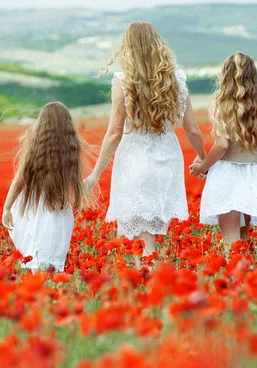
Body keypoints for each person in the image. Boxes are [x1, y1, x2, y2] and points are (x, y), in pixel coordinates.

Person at [85, 21, 206, 256]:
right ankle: (140, 280)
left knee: (140, 236)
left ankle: (145, 283)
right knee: (138, 233)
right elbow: (192, 129)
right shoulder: (177, 79)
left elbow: (113, 133)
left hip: (135, 159)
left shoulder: (123, 82)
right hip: (167, 160)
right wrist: (202, 159)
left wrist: (94, 175)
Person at [190, 52, 257, 245]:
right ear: (253, 77)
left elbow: (222, 145)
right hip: (252, 175)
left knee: (231, 242)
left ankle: (236, 274)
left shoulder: (220, 105)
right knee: (244, 239)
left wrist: (203, 167)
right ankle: (248, 274)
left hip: (227, 175)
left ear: (225, 76)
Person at [2, 102, 89, 271]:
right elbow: (76, 182)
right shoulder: (70, 148)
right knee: (52, 259)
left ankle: (39, 290)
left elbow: (19, 179)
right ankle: (50, 290)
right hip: (59, 211)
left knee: (37, 254)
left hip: (35, 209)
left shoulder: (34, 145)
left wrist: (7, 208)